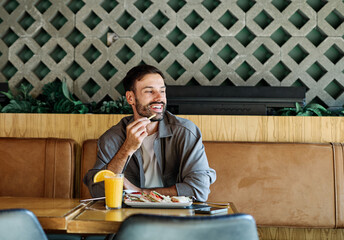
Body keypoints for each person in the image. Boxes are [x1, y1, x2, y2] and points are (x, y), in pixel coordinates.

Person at [83, 64, 216, 201]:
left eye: (162, 91)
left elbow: (199, 189)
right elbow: (99, 192)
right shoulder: (112, 137)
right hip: (129, 215)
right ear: (130, 98)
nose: (159, 98)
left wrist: (139, 192)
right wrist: (127, 148)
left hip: (176, 216)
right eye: (149, 91)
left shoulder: (185, 132)